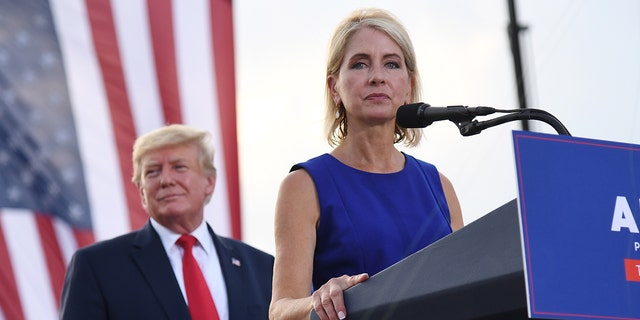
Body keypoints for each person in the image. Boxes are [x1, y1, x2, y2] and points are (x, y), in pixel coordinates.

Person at [269, 8, 464, 320]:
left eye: (391, 64)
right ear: (334, 88)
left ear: (408, 85)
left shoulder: (439, 185)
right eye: (360, 64)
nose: (377, 76)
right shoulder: (304, 185)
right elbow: (280, 310)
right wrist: (318, 301)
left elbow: (469, 288)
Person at [60, 124, 274, 320]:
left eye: (179, 167)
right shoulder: (97, 267)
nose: (166, 180)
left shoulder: (263, 268)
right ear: (142, 192)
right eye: (152, 172)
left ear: (209, 182)